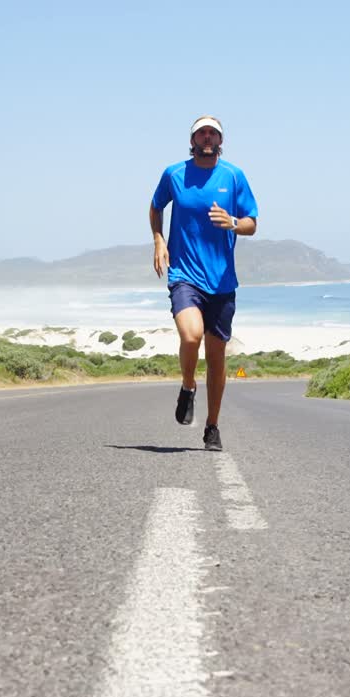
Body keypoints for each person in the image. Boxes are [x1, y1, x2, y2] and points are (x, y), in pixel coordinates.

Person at [149, 115, 258, 451]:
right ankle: (187, 385)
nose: (207, 138)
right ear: (193, 139)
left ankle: (212, 426)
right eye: (202, 133)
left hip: (222, 281)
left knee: (216, 358)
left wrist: (233, 223)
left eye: (213, 133)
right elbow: (156, 208)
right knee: (190, 334)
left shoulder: (234, 176)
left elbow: (252, 223)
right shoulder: (174, 174)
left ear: (220, 140)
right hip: (184, 274)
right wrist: (158, 240)